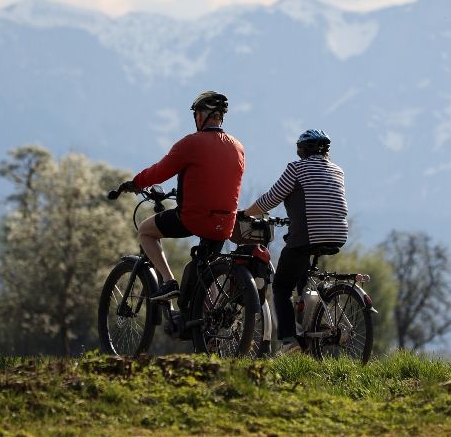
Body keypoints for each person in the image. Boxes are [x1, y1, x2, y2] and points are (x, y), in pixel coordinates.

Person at [118, 91, 245, 301]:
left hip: (194, 219)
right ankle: (209, 324)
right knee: (204, 271)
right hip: (225, 223)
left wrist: (136, 182)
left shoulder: (191, 143)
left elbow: (160, 171)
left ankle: (168, 282)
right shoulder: (238, 147)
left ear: (201, 116)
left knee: (145, 231)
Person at [241, 129, 348, 353]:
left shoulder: (297, 168)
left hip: (308, 234)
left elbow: (271, 198)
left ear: (301, 150)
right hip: (337, 234)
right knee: (303, 275)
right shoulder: (338, 170)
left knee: (281, 286)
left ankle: (290, 341)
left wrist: (247, 213)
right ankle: (317, 318)